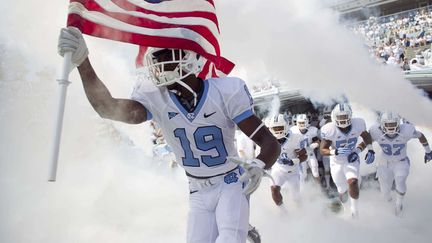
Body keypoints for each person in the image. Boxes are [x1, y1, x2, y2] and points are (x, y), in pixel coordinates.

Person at [58, 27, 280, 243]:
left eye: (166, 55)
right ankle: (247, 232)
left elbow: (270, 143)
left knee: (229, 239)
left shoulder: (224, 92)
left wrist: (260, 164)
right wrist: (82, 61)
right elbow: (107, 108)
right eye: (156, 57)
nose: (158, 63)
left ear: (189, 56)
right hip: (196, 189)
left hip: (230, 182)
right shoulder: (156, 98)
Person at [369, 111, 432, 216]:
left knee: (400, 179)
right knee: (385, 193)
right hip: (384, 162)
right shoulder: (375, 131)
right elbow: (367, 140)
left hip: (401, 161)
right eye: (388, 124)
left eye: (393, 124)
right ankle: (388, 205)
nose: (391, 127)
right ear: (382, 124)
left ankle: (399, 203)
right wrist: (367, 150)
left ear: (399, 123)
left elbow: (421, 136)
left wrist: (428, 151)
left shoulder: (407, 130)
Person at [320, 103, 375, 218]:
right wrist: (334, 152)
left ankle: (354, 211)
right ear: (334, 117)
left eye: (345, 116)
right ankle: (345, 207)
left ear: (350, 116)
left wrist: (369, 149)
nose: (343, 120)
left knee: (353, 181)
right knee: (342, 191)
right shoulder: (330, 129)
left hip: (351, 158)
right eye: (340, 117)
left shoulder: (358, 124)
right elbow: (322, 150)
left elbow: (366, 136)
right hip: (336, 161)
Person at [266, 114, 307, 206]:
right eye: (275, 128)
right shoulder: (269, 139)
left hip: (293, 171)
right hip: (278, 170)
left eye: (279, 127)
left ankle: (301, 211)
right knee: (274, 189)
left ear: (286, 126)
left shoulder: (295, 138)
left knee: (295, 197)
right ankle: (283, 211)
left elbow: (304, 155)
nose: (277, 131)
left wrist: (293, 161)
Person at [290, 114, 321, 185]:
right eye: (300, 123)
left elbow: (317, 141)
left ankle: (320, 188)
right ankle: (304, 191)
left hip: (310, 154)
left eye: (303, 122)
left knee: (315, 171)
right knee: (302, 175)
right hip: (300, 155)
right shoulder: (293, 131)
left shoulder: (312, 130)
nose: (301, 125)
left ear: (307, 122)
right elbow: (290, 144)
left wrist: (315, 144)